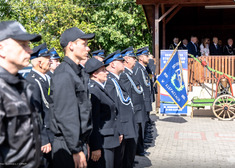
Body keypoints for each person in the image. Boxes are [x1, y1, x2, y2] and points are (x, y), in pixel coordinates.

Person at [49, 27, 94, 168]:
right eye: (84, 44)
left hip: (76, 142)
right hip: (67, 145)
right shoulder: (64, 73)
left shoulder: (77, 72)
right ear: (71, 45)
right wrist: (76, 149)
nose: (87, 49)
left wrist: (83, 143)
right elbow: (66, 115)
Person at [0, 21, 41, 167]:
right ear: (1, 49)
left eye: (28, 45)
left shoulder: (22, 86)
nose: (29, 50)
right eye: (23, 45)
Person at [85, 58, 120, 168]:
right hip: (102, 141)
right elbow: (93, 121)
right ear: (95, 74)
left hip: (108, 139)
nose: (107, 72)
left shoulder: (99, 88)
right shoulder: (93, 90)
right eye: (103, 70)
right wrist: (95, 147)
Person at [104, 50, 136, 168]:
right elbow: (114, 109)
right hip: (121, 127)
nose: (124, 63)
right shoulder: (110, 82)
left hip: (126, 126)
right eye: (121, 61)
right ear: (112, 64)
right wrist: (119, 129)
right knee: (119, 161)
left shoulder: (116, 80)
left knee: (123, 159)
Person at [26, 43, 54, 168]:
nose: (51, 62)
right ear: (39, 62)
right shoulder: (32, 81)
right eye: (48, 59)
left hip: (53, 132)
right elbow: (35, 113)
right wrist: (43, 139)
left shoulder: (46, 78)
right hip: (46, 136)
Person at [119, 47, 146, 159]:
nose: (135, 60)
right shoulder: (124, 75)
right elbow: (128, 94)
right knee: (131, 142)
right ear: (127, 60)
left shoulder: (130, 74)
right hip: (134, 110)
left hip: (138, 110)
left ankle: (132, 159)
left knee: (135, 138)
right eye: (133, 58)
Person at [133, 47, 154, 147]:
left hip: (146, 99)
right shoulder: (137, 69)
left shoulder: (142, 68)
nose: (148, 58)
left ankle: (143, 140)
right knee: (142, 124)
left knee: (145, 122)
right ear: (140, 58)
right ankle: (141, 144)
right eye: (146, 56)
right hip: (142, 100)